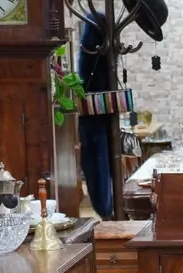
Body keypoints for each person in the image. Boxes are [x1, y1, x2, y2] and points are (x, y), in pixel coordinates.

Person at [78, 12, 114, 219]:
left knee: (95, 160)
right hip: (105, 113)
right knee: (103, 159)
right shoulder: (108, 56)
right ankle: (106, 207)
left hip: (92, 115)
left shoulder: (89, 54)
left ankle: (104, 208)